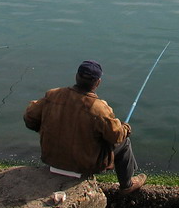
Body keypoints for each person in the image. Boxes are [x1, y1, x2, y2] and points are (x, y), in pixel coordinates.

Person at [24, 60, 146, 193]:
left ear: (76, 76)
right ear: (98, 82)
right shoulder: (99, 108)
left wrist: (44, 129)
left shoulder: (53, 95)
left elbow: (29, 118)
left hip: (51, 158)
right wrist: (126, 128)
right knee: (125, 143)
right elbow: (116, 136)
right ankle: (127, 185)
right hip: (84, 165)